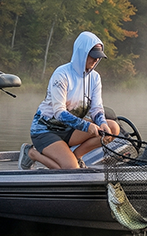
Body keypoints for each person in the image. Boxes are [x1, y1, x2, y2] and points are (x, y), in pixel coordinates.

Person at [19, 31, 120, 170]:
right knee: (71, 169)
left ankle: (76, 156)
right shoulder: (62, 74)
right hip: (45, 130)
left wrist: (102, 123)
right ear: (82, 54)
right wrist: (87, 126)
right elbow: (59, 112)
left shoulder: (95, 78)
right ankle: (31, 153)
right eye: (93, 56)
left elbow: (96, 108)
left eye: (98, 57)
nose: (96, 60)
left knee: (113, 128)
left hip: (70, 129)